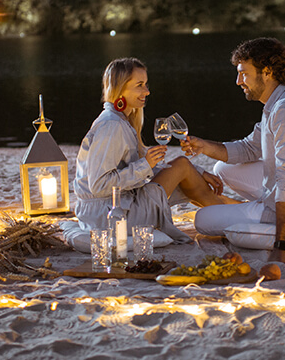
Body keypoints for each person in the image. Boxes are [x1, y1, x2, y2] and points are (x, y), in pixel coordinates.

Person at [182, 38, 285, 262]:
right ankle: (251, 211)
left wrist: (282, 245)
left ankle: (264, 219)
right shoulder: (277, 103)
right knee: (222, 168)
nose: (238, 81)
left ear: (267, 72)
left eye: (244, 73)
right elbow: (248, 148)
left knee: (203, 220)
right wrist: (203, 145)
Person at [74, 57, 236, 243]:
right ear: (120, 88)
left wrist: (198, 172)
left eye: (146, 84)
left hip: (116, 207)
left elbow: (135, 173)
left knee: (184, 168)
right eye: (139, 85)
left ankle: (239, 213)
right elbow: (99, 185)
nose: (147, 91)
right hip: (110, 217)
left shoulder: (120, 120)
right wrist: (146, 164)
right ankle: (237, 218)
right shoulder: (111, 125)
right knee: (182, 165)